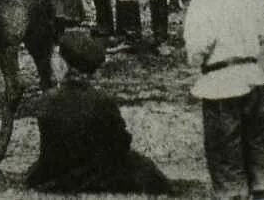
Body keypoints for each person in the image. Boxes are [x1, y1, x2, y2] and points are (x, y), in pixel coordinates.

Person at [183, 0, 264, 199]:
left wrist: (196, 58)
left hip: (220, 83)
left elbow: (199, 43)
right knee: (259, 143)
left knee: (225, 150)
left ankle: (232, 194)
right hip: (252, 77)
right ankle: (262, 190)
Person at [25, 30, 171, 194]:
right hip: (98, 175)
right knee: (143, 168)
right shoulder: (102, 101)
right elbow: (121, 143)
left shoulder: (46, 101)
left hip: (58, 173)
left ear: (63, 65)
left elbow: (49, 148)